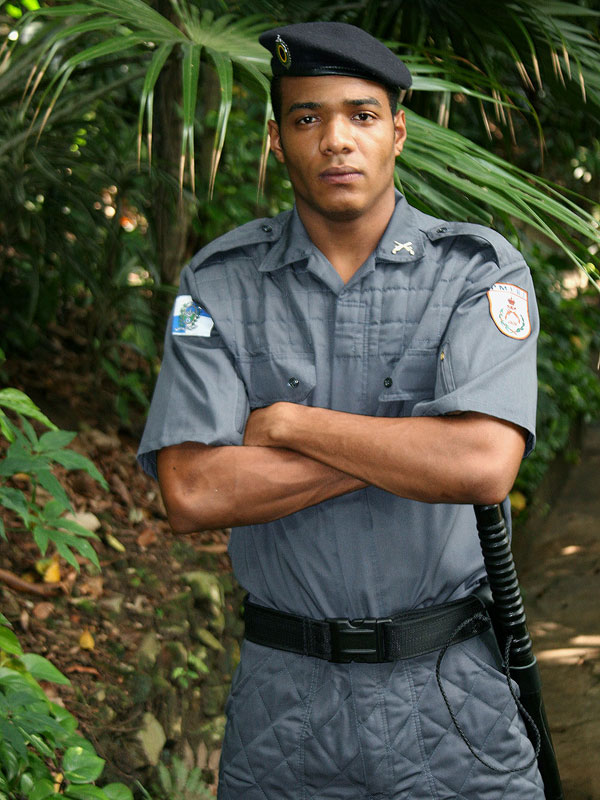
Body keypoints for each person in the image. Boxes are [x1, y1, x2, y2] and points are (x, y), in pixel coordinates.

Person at [138, 21, 545, 800]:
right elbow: (192, 490)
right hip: (284, 707)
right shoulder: (220, 285)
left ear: (398, 132)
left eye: (362, 115)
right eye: (307, 117)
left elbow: (483, 466)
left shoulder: (476, 271)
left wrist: (290, 425)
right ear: (276, 139)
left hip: (453, 699)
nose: (336, 140)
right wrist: (416, 449)